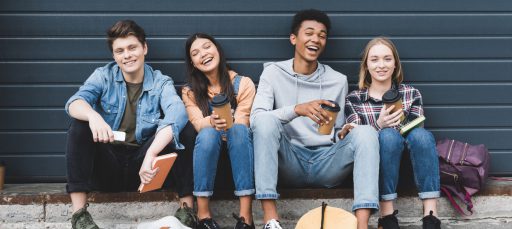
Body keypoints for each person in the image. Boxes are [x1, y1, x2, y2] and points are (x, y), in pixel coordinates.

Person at [250, 9, 380, 229]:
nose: (316, 39)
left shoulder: (337, 80)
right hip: (289, 161)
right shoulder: (272, 73)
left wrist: (343, 132)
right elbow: (255, 119)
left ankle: (362, 225)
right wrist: (297, 109)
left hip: (326, 162)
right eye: (309, 33)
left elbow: (337, 132)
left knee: (366, 132)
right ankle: (271, 220)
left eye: (322, 35)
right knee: (264, 121)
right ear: (294, 39)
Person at [64, 20, 196, 229]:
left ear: (144, 48)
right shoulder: (103, 76)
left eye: (132, 47)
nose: (127, 55)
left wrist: (151, 154)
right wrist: (93, 116)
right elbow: (73, 103)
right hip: (108, 166)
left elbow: (177, 112)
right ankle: (79, 216)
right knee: (79, 126)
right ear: (114, 56)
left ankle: (187, 212)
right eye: (120, 51)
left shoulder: (161, 82)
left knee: (184, 129)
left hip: (144, 169)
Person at [344, 37, 441, 229]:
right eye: (375, 60)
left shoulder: (411, 93)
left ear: (395, 64)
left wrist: (399, 121)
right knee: (387, 136)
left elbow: (416, 133)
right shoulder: (354, 99)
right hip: (380, 166)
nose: (381, 65)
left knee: (421, 136)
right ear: (366, 65)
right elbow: (356, 138)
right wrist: (379, 125)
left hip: (411, 161)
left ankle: (431, 215)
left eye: (387, 59)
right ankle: (387, 214)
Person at [182, 33, 256, 229]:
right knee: (207, 133)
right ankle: (204, 216)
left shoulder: (243, 83)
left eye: (207, 47)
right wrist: (212, 122)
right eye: (196, 53)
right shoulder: (189, 91)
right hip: (207, 168)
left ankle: (246, 217)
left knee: (239, 130)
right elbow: (197, 123)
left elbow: (244, 120)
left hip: (241, 164)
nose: (203, 54)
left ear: (218, 50)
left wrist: (229, 122)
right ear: (193, 63)